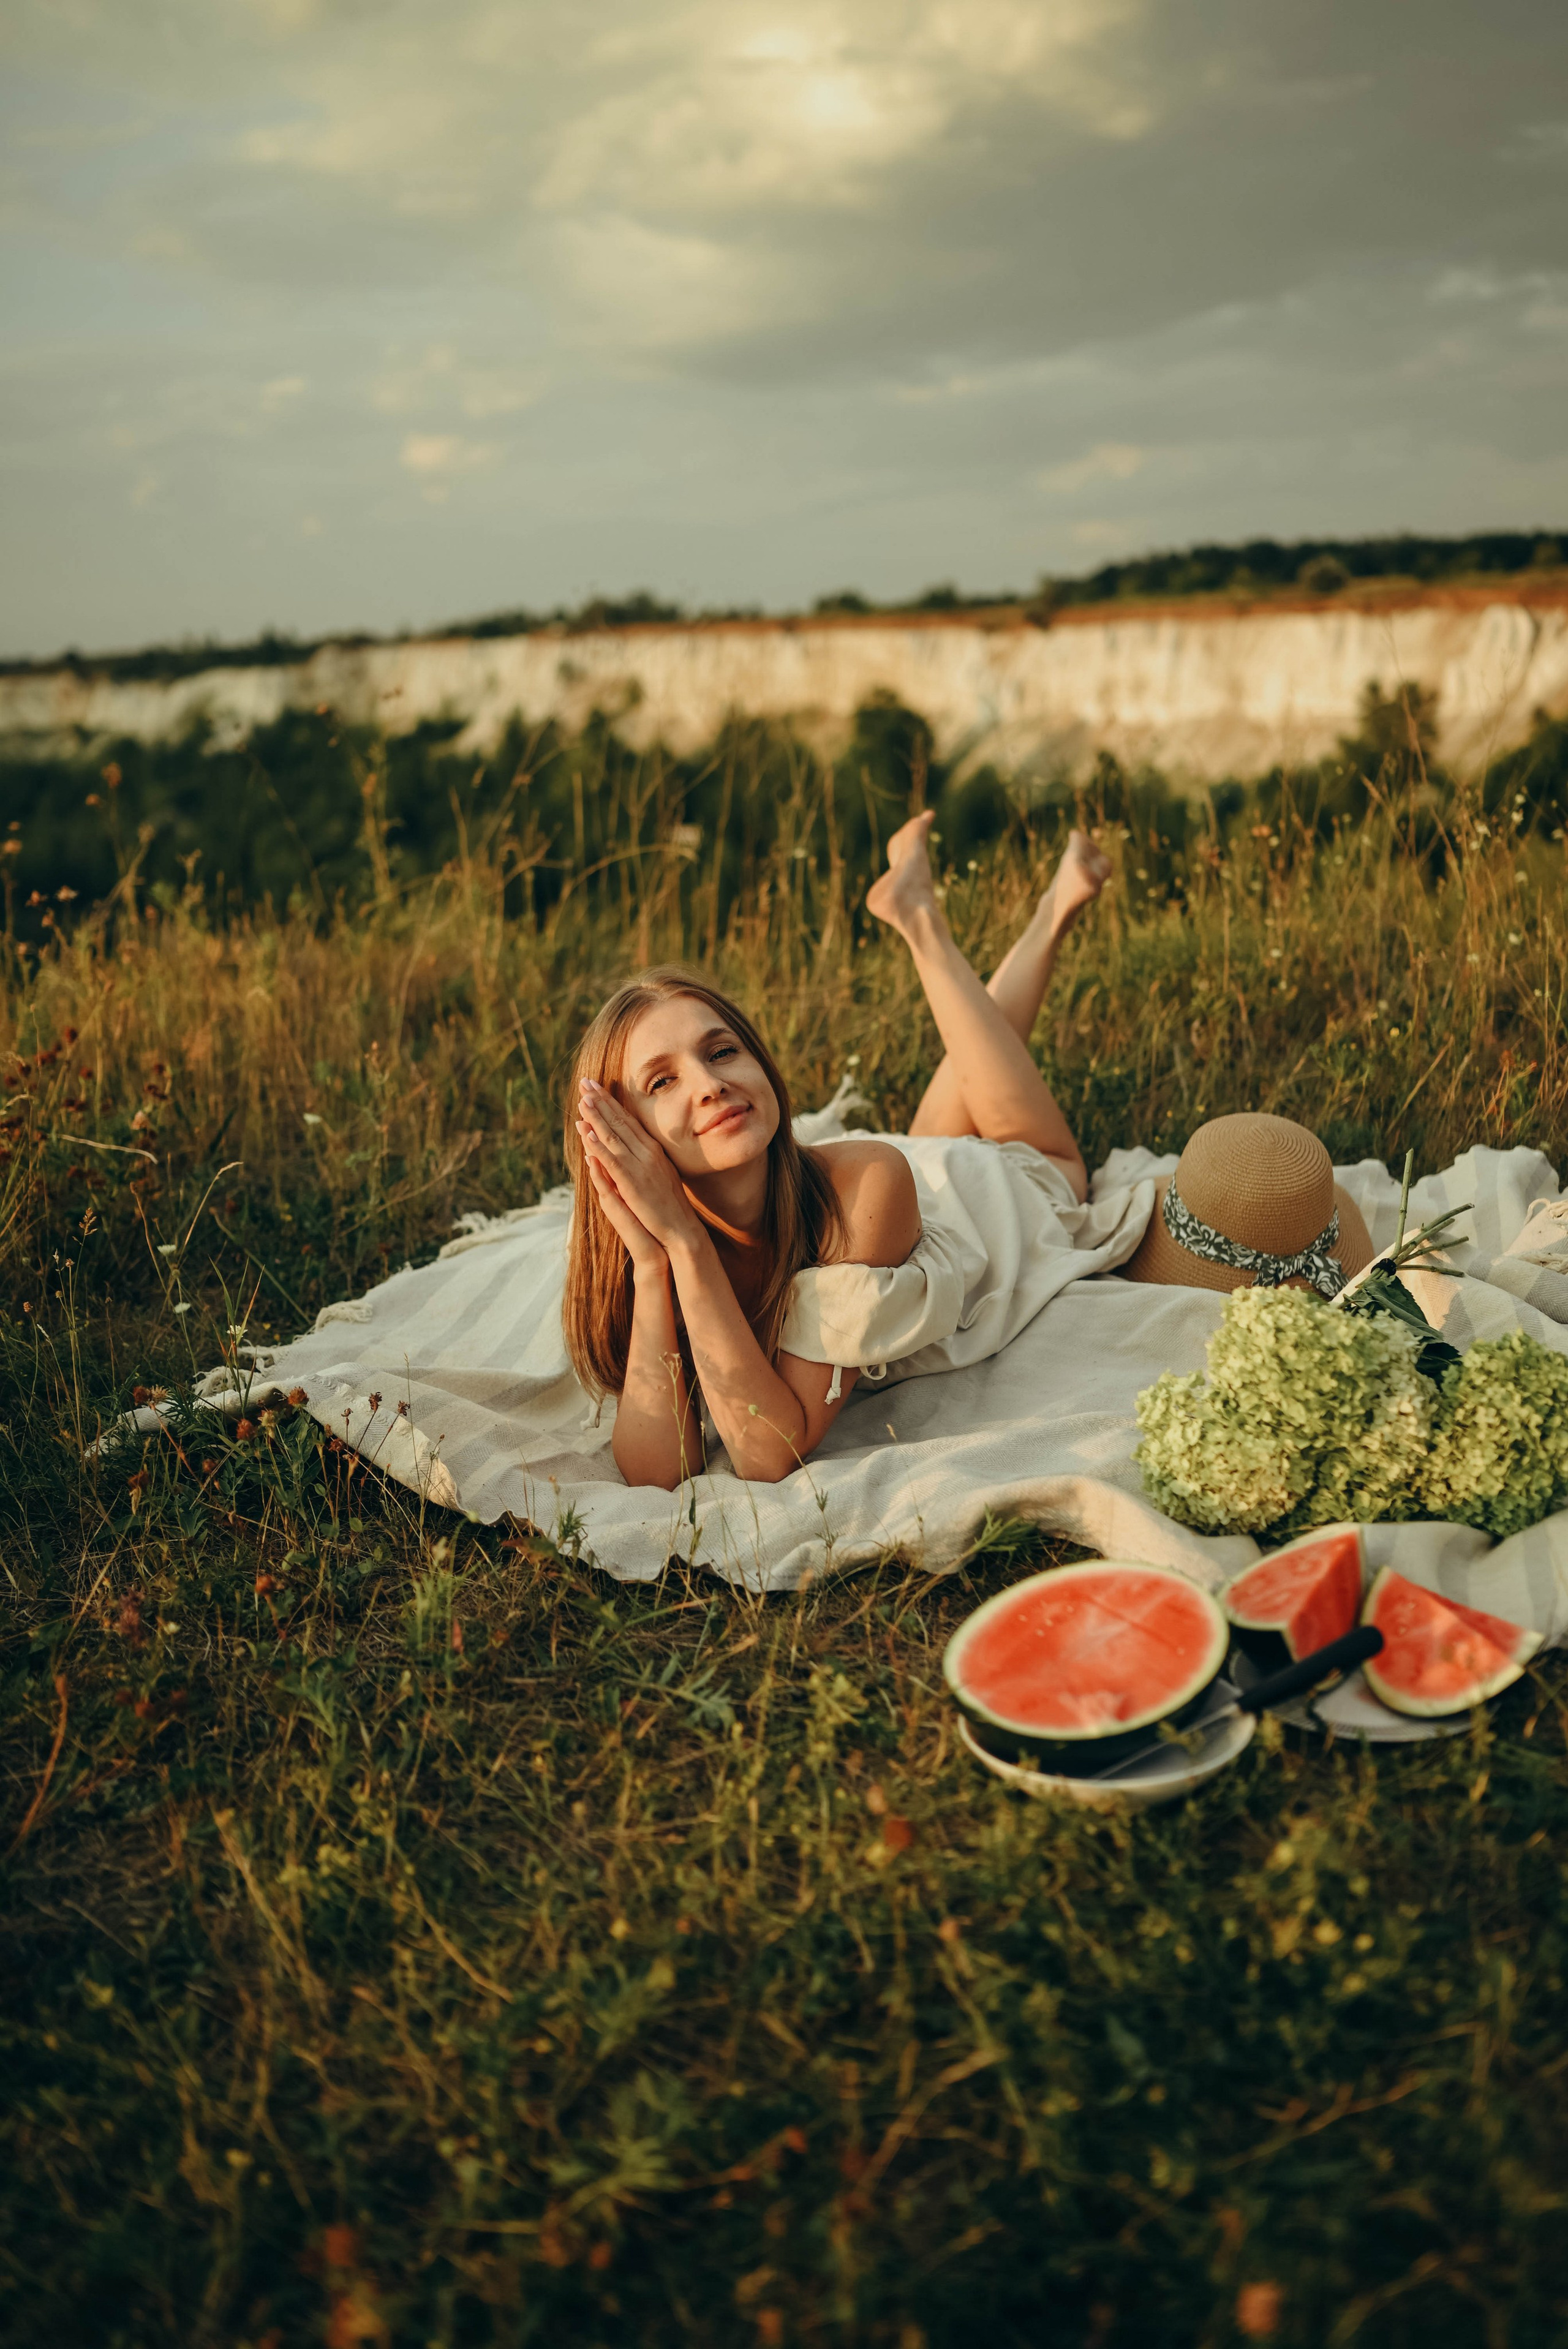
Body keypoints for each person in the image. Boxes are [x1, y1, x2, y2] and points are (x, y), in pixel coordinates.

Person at [564, 812, 1114, 1488]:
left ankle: (937, 923)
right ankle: (1018, 903)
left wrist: (685, 1244)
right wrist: (655, 1259)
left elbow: (768, 1452)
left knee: (1056, 1164)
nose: (710, 1085)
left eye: (722, 1051)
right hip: (909, 1172)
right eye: (663, 1081)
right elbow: (655, 1472)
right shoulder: (640, 1247)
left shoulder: (864, 1187)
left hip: (986, 1196)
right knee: (965, 1077)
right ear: (622, 1135)